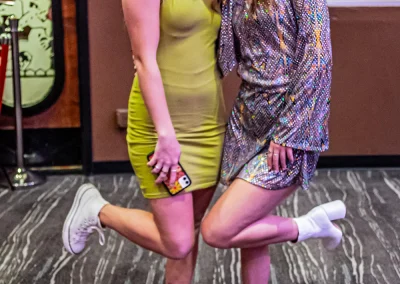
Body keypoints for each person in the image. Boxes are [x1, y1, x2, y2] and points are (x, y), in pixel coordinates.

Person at [62, 0, 225, 283]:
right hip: (162, 131)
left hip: (209, 126)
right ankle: (99, 210)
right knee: (177, 242)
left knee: (191, 228)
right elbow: (143, 59)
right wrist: (165, 134)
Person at [200, 0, 346, 282]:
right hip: (246, 123)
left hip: (290, 129)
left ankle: (308, 226)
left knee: (216, 230)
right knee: (250, 231)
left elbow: (318, 60)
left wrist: (289, 131)